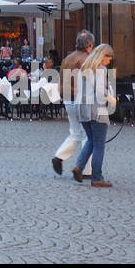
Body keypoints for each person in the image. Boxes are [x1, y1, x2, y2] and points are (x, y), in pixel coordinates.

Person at [71, 44, 116, 187]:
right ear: (103, 56)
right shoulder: (101, 70)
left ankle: (79, 166)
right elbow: (100, 93)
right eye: (109, 58)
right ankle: (97, 177)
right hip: (96, 110)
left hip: (82, 108)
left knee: (91, 140)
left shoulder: (84, 68)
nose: (109, 61)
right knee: (99, 145)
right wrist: (113, 100)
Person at [52, 31, 94, 176]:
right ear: (89, 45)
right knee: (88, 136)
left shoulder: (67, 58)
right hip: (81, 99)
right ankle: (86, 169)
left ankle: (59, 157)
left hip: (68, 99)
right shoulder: (88, 59)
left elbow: (61, 80)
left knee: (76, 133)